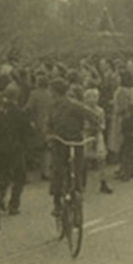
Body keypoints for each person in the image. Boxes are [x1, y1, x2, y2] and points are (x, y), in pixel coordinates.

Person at [47, 78, 102, 215]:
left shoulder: (74, 105)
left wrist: (95, 131)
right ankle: (58, 201)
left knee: (74, 168)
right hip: (59, 141)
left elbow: (94, 117)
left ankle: (75, 192)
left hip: (75, 141)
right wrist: (49, 134)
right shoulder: (52, 107)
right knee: (58, 169)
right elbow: (48, 123)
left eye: (52, 91)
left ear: (56, 92)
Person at [0, 85, 31, 215]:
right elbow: (27, 132)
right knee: (19, 176)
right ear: (17, 97)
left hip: (0, 148)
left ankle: (0, 193)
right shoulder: (20, 113)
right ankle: (14, 204)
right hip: (16, 148)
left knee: (3, 174)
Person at [82, 88, 112, 194]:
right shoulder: (83, 110)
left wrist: (100, 127)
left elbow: (103, 124)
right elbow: (82, 124)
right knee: (84, 160)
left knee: (101, 160)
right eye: (91, 97)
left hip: (98, 136)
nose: (94, 100)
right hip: (87, 136)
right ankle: (82, 184)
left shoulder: (100, 110)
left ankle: (103, 181)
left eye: (95, 97)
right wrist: (88, 128)